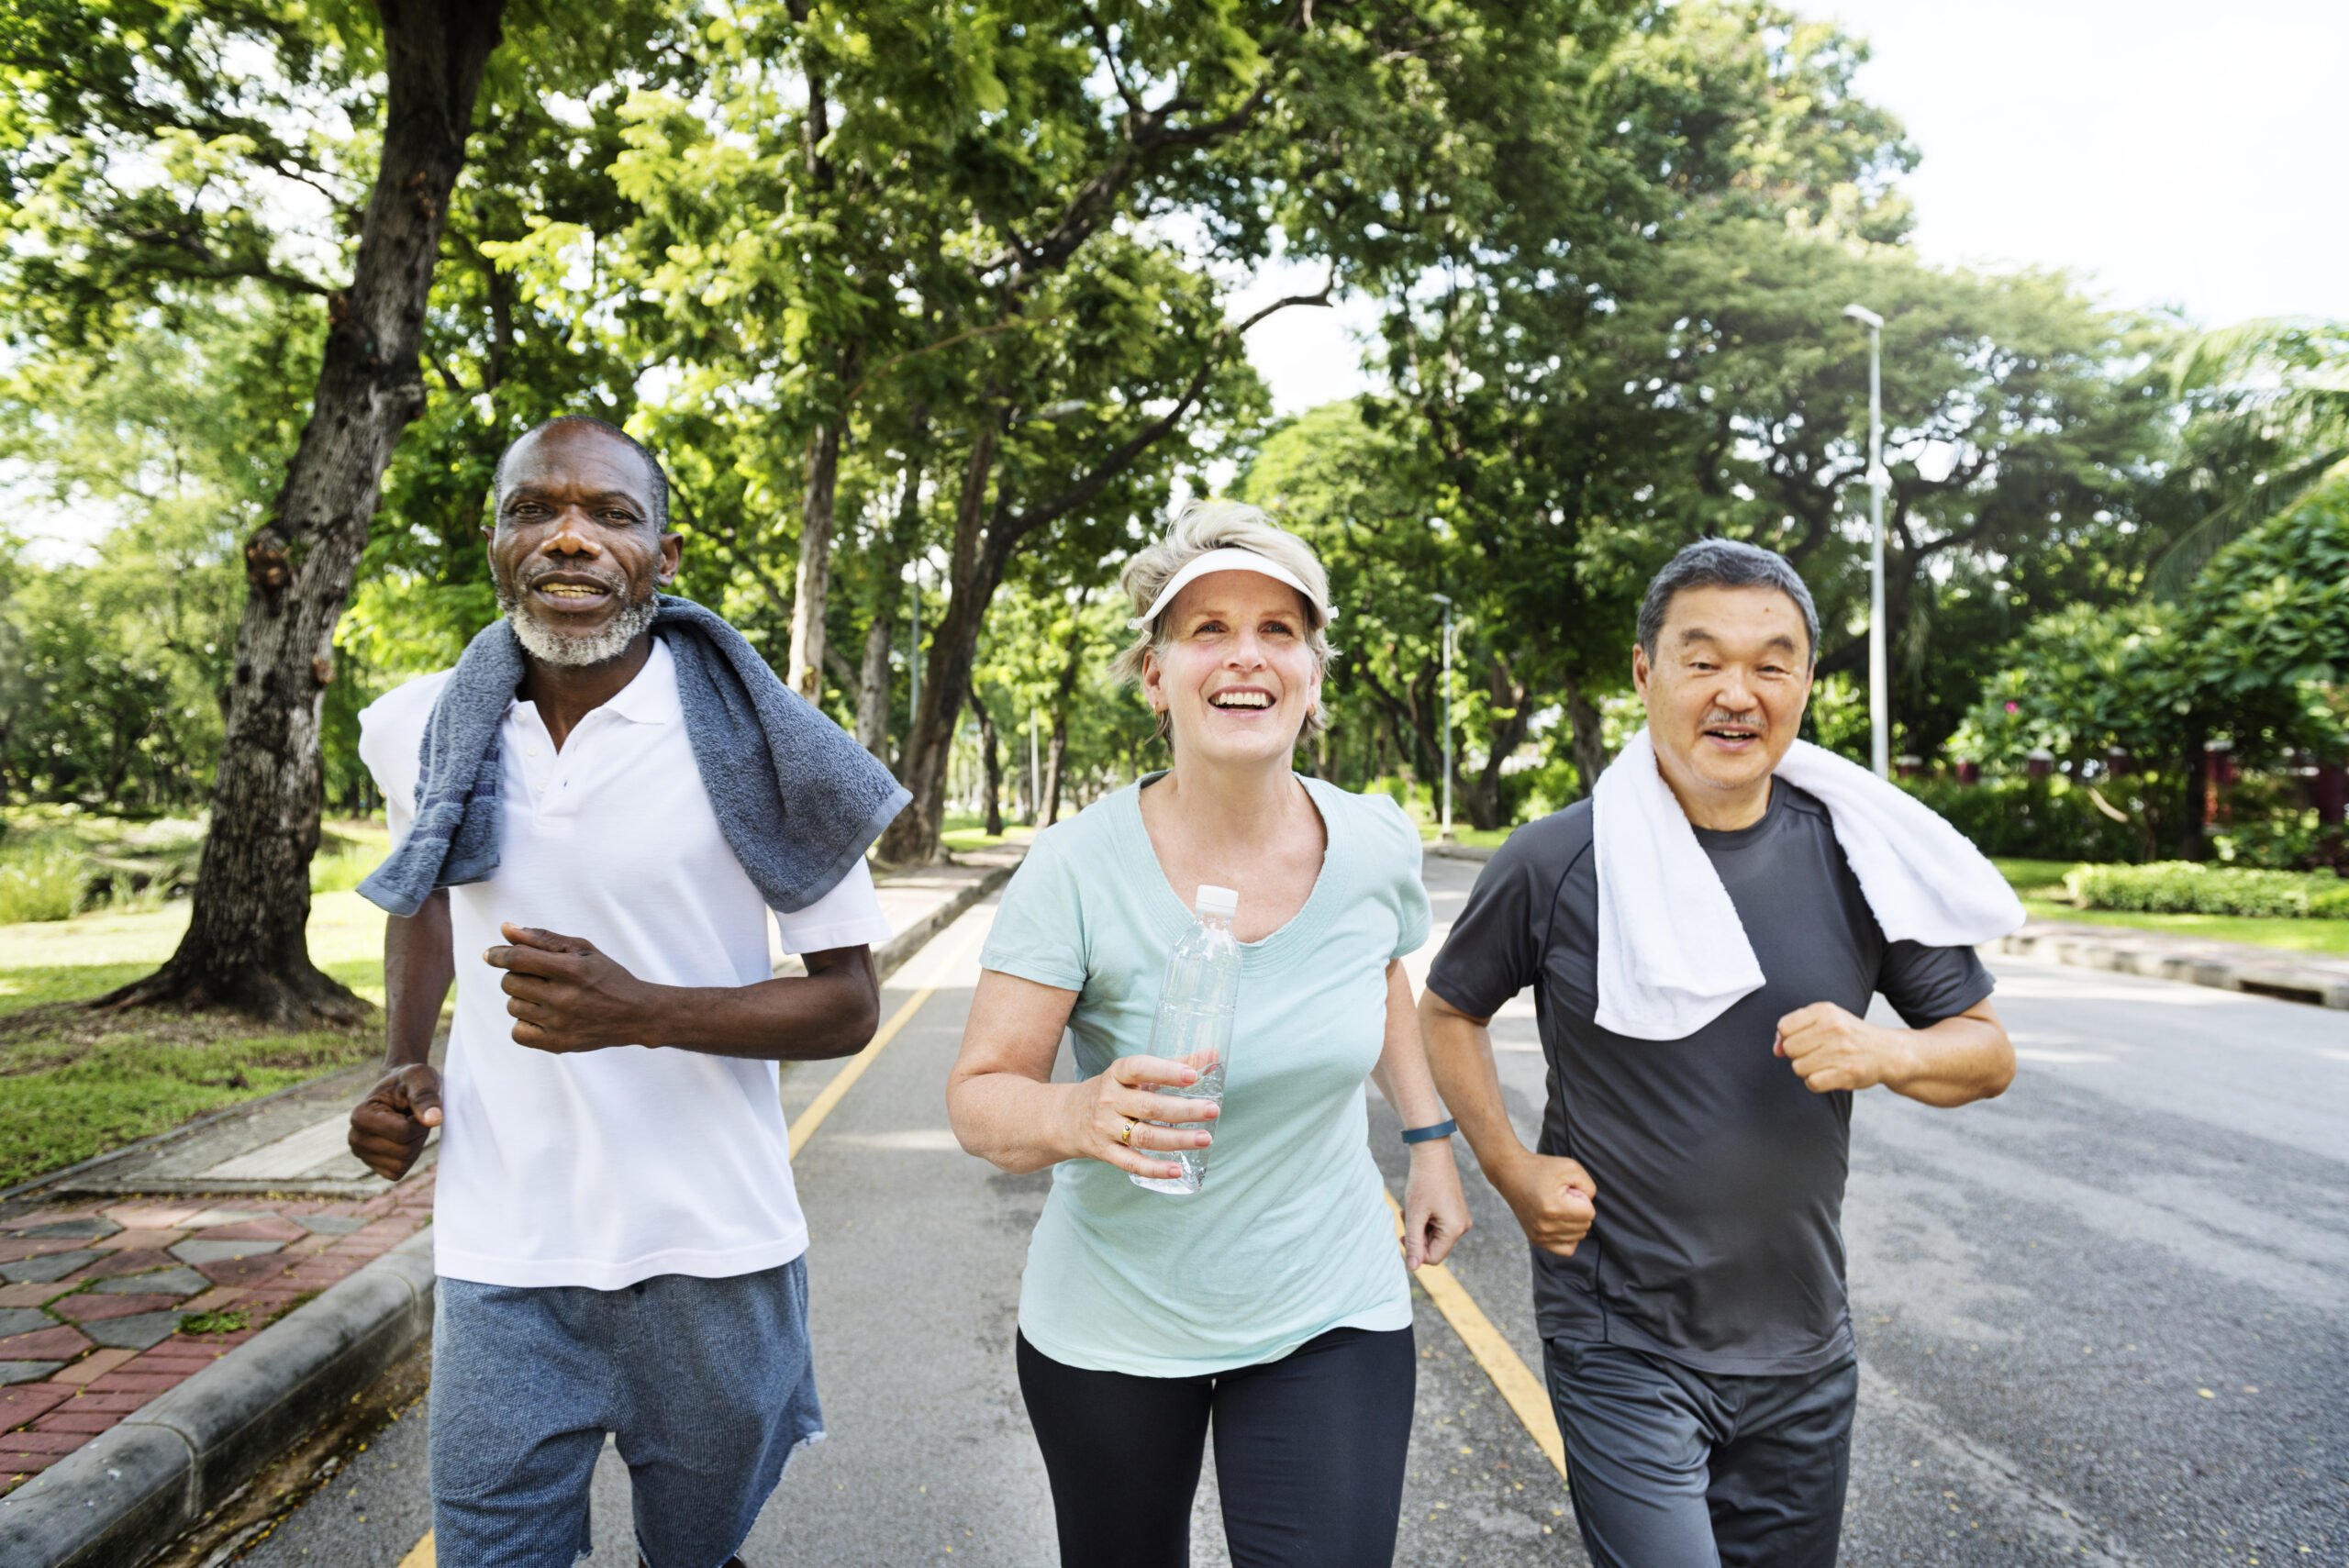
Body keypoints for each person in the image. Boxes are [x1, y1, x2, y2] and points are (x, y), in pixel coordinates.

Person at [344, 416, 908, 1568]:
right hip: (504, 1250)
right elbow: (424, 897)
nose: (570, 538)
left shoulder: (766, 744)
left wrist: (640, 1011)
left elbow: (849, 1003)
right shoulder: (416, 726)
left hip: (712, 1251)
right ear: (493, 537)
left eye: (610, 513)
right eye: (534, 509)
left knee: (695, 1557)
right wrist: (407, 1060)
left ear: (665, 552)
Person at [1419, 539, 2019, 1568]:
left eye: (1770, 663)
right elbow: (1447, 1011)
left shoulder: (1857, 853)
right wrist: (1511, 1170)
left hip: (1802, 1346)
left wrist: (1882, 1050)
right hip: (1621, 1337)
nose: (1737, 692)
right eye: (1702, 661)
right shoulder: (1556, 859)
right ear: (1645, 673)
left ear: (1805, 684)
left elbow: (1985, 1051)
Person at [945, 500, 1471, 1568]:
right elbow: (981, 1095)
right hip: (1114, 1321)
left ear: (1313, 672)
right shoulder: (1076, 866)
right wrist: (1078, 1109)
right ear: (1155, 673)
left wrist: (1428, 1144)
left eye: (1279, 629)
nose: (1247, 656)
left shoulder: (1372, 839)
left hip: (1329, 1301)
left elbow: (1375, 974)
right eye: (1209, 629)